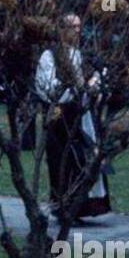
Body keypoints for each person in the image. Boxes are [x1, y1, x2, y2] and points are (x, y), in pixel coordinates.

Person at [35, 14, 111, 223]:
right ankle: (65, 209)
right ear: (61, 29)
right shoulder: (50, 56)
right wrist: (70, 93)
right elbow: (46, 87)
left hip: (83, 116)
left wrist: (95, 86)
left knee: (86, 160)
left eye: (79, 26)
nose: (77, 31)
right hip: (62, 120)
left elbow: (99, 79)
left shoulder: (82, 55)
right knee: (64, 163)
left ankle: (85, 207)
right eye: (72, 27)